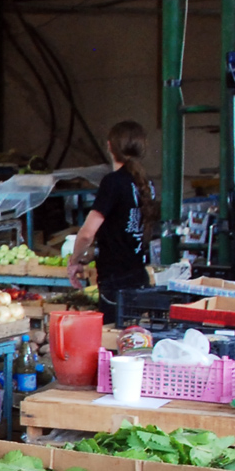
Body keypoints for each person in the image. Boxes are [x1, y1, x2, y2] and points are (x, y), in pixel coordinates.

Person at [67, 121, 155, 322]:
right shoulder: (146, 183)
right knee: (135, 340)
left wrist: (75, 260)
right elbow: (124, 231)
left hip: (115, 281)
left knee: (112, 339)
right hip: (139, 275)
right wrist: (88, 256)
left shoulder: (112, 182)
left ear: (109, 146)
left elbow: (87, 233)